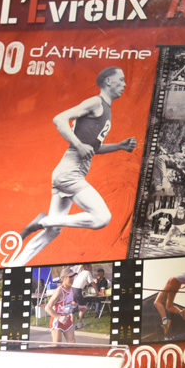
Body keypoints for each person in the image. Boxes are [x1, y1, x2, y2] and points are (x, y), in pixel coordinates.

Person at [13, 67, 138, 266]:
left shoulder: (106, 110)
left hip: (68, 171)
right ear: (108, 81)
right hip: (70, 173)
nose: (125, 84)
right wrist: (78, 145)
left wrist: (119, 146)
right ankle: (43, 220)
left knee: (53, 231)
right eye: (121, 80)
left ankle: (14, 265)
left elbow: (93, 148)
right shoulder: (96, 102)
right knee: (102, 217)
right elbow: (59, 119)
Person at [45, 268, 80, 344]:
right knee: (57, 344)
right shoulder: (59, 291)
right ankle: (45, 349)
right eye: (70, 277)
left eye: (73, 276)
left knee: (72, 342)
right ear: (63, 278)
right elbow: (47, 308)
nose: (72, 279)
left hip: (67, 319)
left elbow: (68, 301)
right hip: (57, 320)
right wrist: (59, 317)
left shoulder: (72, 290)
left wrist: (77, 305)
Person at [71, 263, 94, 328]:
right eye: (91, 266)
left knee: (72, 308)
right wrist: (97, 291)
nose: (91, 267)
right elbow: (92, 283)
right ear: (88, 266)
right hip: (77, 291)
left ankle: (72, 325)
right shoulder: (87, 272)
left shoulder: (81, 273)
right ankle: (79, 323)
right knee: (83, 307)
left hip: (72, 290)